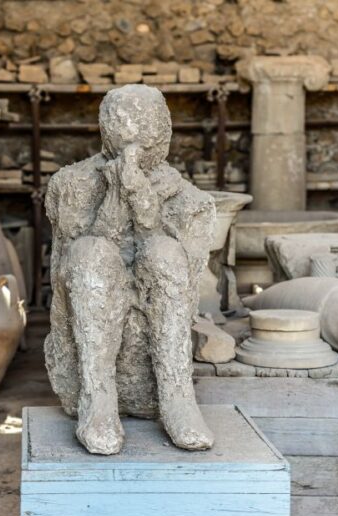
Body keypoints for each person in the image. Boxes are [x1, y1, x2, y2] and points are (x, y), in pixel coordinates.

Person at [44, 84, 216, 455]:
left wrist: (145, 200)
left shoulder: (190, 200)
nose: (137, 144)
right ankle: (98, 399)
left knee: (165, 254)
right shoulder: (71, 184)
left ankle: (176, 398)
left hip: (153, 292)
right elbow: (70, 262)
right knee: (91, 252)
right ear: (106, 131)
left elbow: (189, 274)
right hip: (96, 290)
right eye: (123, 129)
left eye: (149, 131)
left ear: (165, 132)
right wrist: (117, 197)